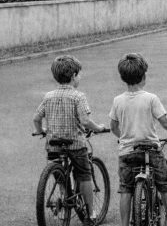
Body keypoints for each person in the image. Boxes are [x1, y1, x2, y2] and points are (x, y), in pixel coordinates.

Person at [109, 53, 167, 226]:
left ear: (123, 78)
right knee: (165, 186)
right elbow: (166, 123)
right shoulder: (151, 98)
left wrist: (124, 138)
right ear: (143, 77)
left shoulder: (118, 101)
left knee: (125, 189)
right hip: (151, 151)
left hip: (127, 152)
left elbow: (114, 127)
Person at [32, 55, 107, 226]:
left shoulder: (48, 96)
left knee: (60, 173)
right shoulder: (78, 96)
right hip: (75, 144)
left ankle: (64, 196)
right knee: (84, 175)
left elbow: (36, 118)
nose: (80, 77)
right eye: (79, 74)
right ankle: (90, 214)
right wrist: (98, 128)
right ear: (73, 76)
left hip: (53, 144)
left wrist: (40, 131)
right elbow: (85, 121)